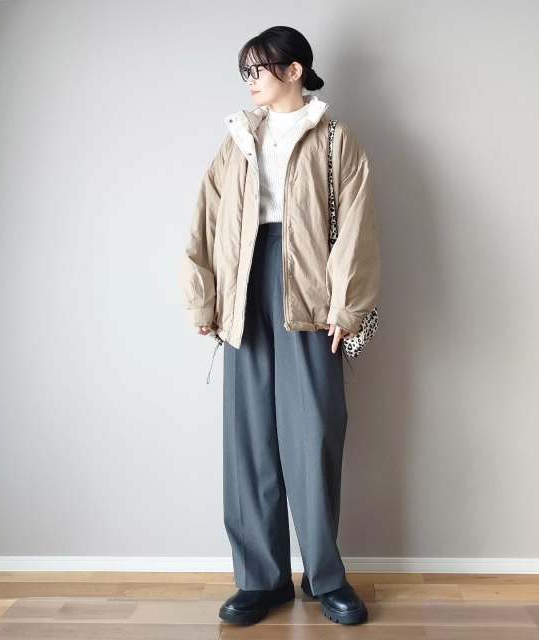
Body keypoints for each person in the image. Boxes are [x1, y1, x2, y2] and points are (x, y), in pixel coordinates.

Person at [179, 25, 380, 626]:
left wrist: (347, 307)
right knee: (248, 441)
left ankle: (324, 578)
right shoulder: (238, 139)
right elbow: (207, 218)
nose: (251, 80)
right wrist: (204, 299)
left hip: (310, 291)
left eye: (259, 68)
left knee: (313, 435)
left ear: (294, 70)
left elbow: (356, 229)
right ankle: (261, 581)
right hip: (244, 287)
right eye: (246, 71)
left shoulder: (335, 139)